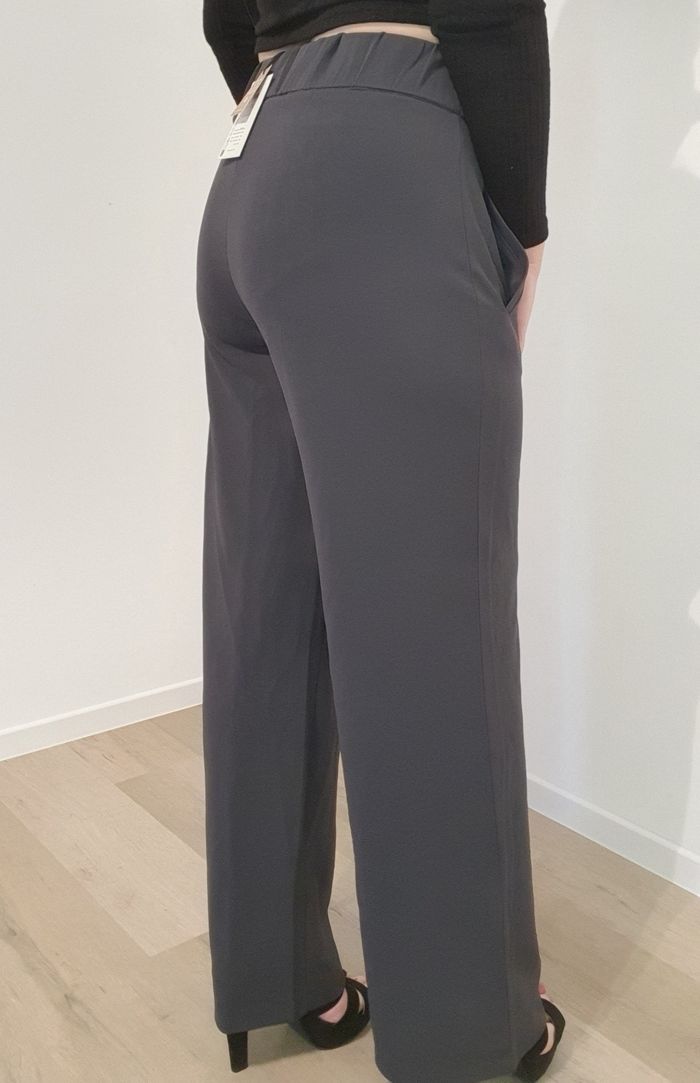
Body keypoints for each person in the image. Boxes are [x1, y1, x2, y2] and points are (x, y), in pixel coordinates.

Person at [196, 2, 566, 1080]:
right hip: (384, 153)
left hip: (251, 165)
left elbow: (223, 16)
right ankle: (468, 1037)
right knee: (430, 623)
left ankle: (277, 979)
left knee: (266, 599)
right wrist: (524, 228)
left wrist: (290, 107)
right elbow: (489, 12)